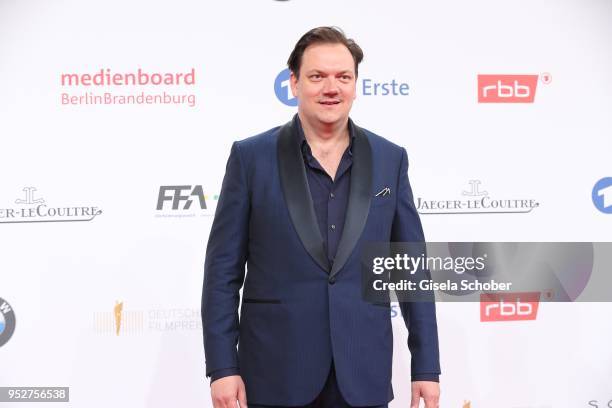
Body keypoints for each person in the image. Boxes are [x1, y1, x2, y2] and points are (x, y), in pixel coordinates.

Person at [202, 26, 441, 408]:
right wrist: (222, 367)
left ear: (355, 84)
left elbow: (411, 271)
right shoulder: (251, 159)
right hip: (274, 374)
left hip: (362, 376)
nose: (332, 88)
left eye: (343, 77)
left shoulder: (390, 159)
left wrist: (426, 368)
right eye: (317, 76)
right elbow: (222, 273)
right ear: (294, 83)